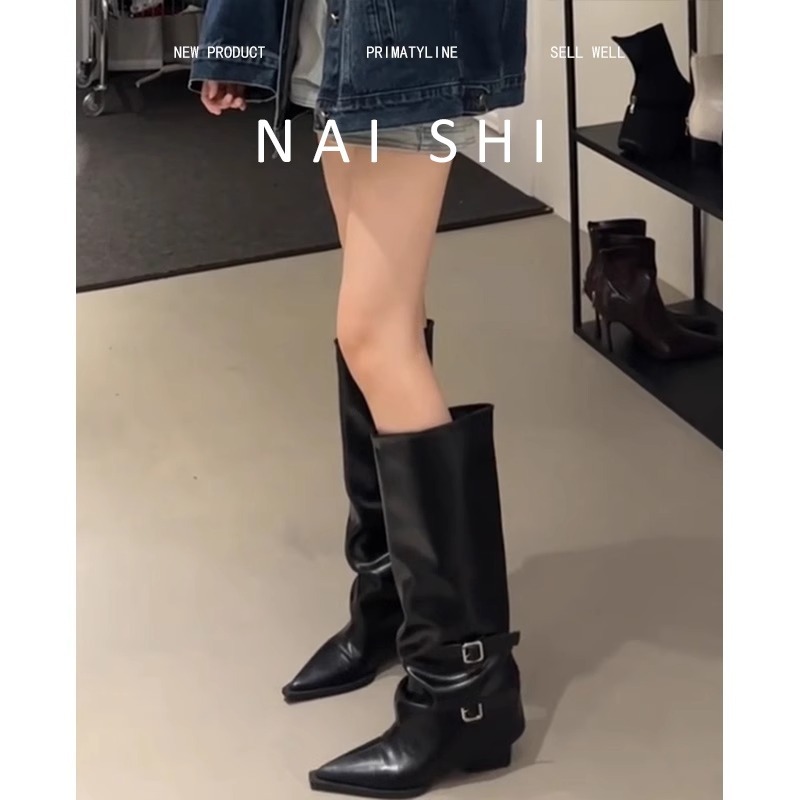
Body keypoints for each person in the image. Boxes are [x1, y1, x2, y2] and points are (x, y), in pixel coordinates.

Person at [190, 1, 528, 796]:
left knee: (375, 334)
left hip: (407, 38)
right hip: (334, 36)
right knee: (380, 325)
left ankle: (466, 690)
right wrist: (236, 39)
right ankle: (389, 602)